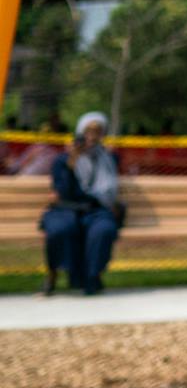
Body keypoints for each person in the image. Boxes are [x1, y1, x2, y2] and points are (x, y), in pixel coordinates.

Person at [40, 111, 124, 296]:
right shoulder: (63, 160)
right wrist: (72, 163)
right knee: (60, 229)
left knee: (103, 230)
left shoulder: (108, 159)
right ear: (80, 133)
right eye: (88, 132)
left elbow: (109, 188)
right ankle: (53, 274)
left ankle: (93, 277)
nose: (92, 137)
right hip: (65, 208)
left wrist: (104, 154)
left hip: (95, 209)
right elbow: (63, 192)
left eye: (97, 132)